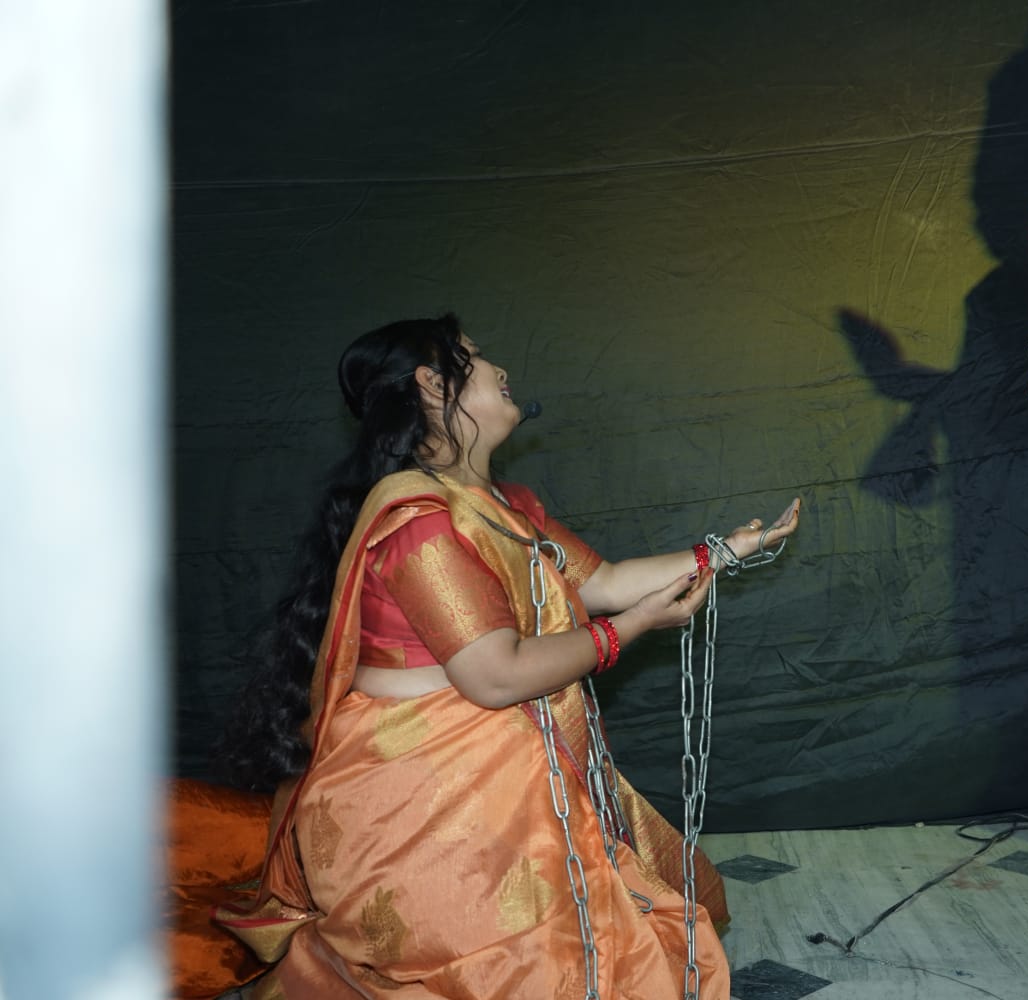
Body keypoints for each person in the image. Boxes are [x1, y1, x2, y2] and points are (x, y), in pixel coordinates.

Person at [217, 313, 800, 996]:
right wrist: (634, 627)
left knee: (630, 950)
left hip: (499, 773)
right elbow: (494, 676)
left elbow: (604, 582)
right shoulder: (417, 517)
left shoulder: (507, 505)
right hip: (422, 801)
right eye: (476, 356)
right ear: (433, 384)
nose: (498, 369)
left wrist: (728, 550)